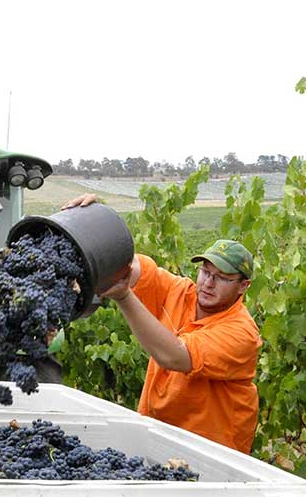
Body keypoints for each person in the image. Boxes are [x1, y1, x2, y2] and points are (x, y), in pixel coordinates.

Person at [62, 193, 262, 453]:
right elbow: (130, 267)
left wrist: (124, 296)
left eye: (222, 278)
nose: (208, 283)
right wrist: (94, 226)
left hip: (211, 453)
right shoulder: (180, 292)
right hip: (157, 436)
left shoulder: (241, 333)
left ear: (243, 286)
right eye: (205, 272)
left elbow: (175, 356)